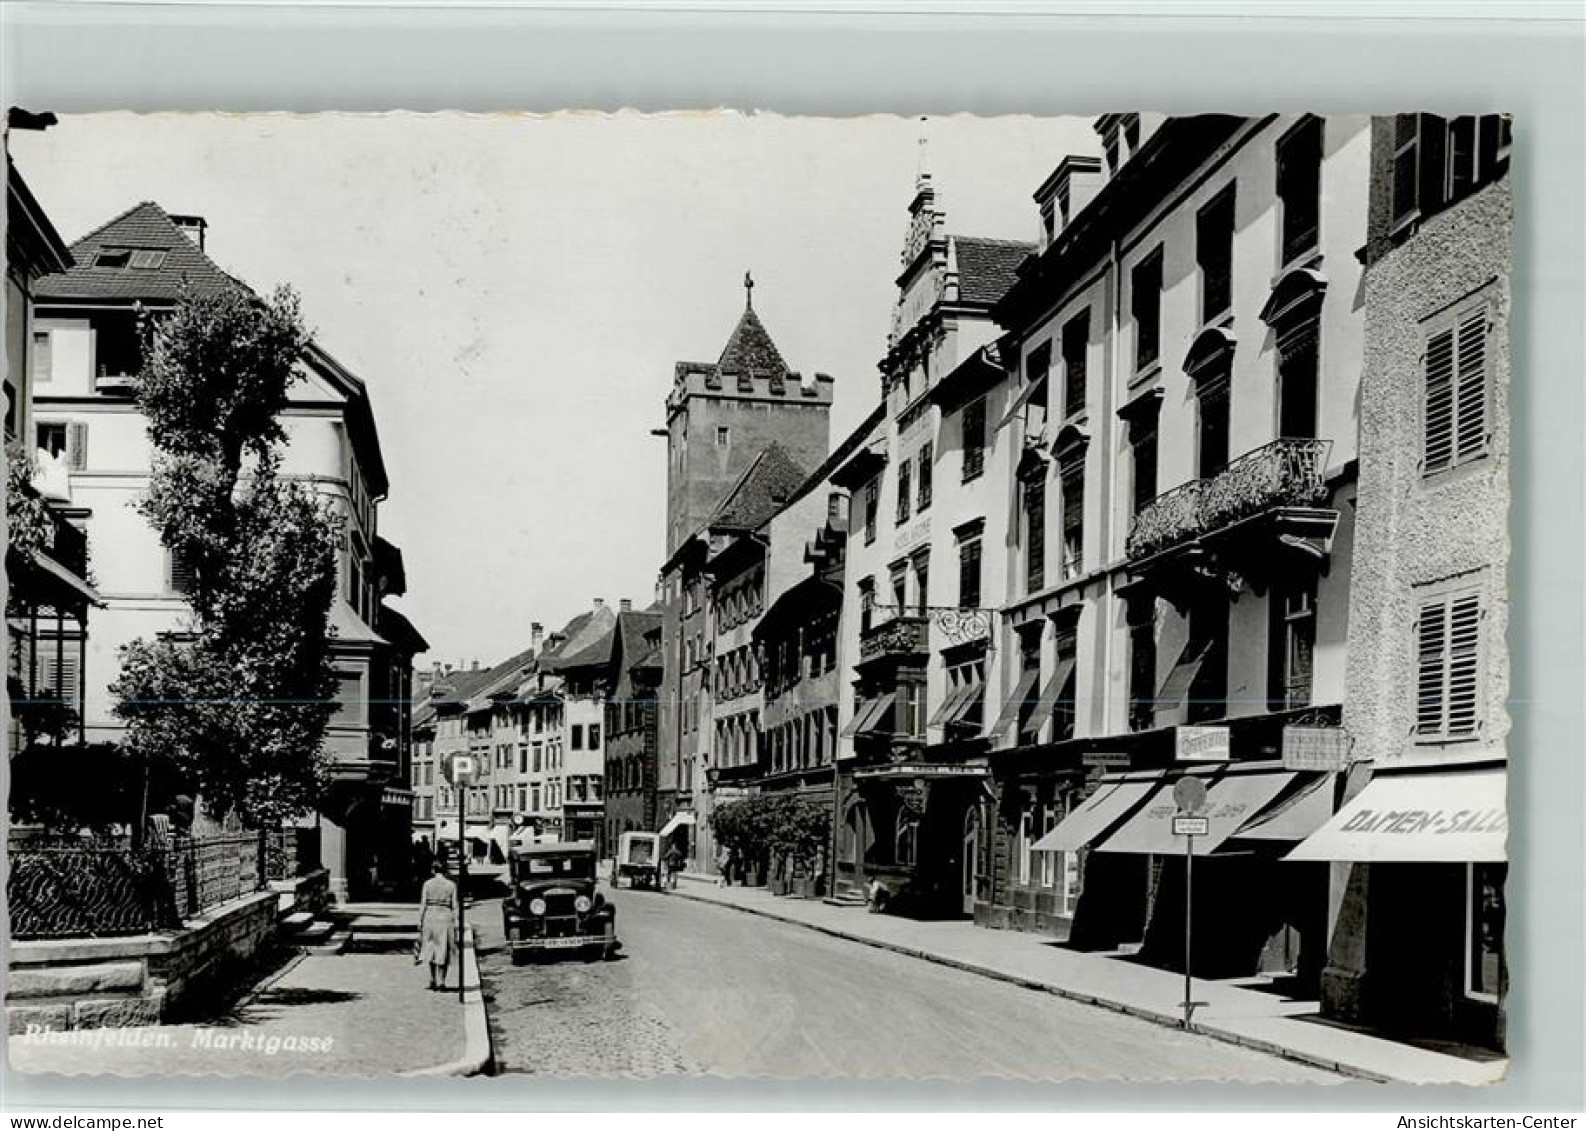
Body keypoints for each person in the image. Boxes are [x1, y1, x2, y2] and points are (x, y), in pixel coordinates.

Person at [416, 859, 459, 991]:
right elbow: (454, 905)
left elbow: (423, 903)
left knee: (431, 949)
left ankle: (432, 979)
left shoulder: (427, 884)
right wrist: (456, 922)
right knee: (443, 950)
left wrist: (420, 920)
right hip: (445, 916)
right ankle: (441, 981)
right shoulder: (451, 885)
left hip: (430, 916)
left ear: (433, 870)